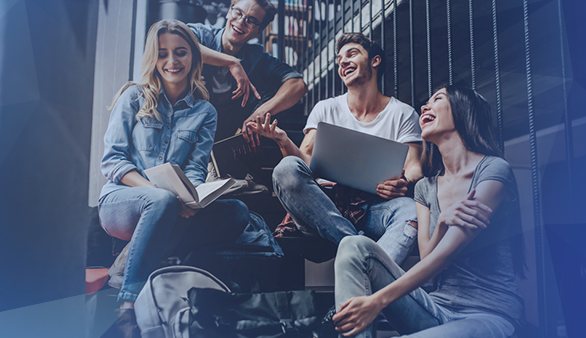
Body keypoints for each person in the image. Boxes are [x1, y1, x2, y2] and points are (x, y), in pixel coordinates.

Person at [332, 85, 526, 337]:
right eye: (426, 100)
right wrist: (442, 223)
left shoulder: (493, 170)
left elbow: (445, 256)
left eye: (438, 99)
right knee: (353, 245)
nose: (425, 105)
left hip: (487, 314)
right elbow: (429, 260)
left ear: (462, 110)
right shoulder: (426, 186)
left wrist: (377, 301)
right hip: (437, 308)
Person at [98, 19, 252, 311]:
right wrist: (163, 195)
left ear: (193, 56)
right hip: (120, 202)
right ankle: (129, 301)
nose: (172, 60)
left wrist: (190, 197)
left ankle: (132, 257)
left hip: (170, 205)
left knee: (237, 212)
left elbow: (194, 168)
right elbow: (113, 162)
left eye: (180, 52)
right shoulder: (133, 97)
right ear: (152, 57)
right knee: (162, 201)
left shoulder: (205, 112)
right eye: (162, 52)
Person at [247, 33, 423, 266]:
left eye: (352, 54)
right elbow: (304, 164)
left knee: (410, 210)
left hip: (374, 206)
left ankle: (366, 270)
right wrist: (283, 141)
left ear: (375, 61)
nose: (342, 62)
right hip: (323, 205)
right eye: (339, 59)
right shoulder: (325, 108)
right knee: (285, 168)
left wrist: (405, 182)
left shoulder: (402, 113)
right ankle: (359, 251)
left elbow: (414, 166)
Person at [188, 0, 308, 145]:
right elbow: (173, 44)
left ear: (259, 30)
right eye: (238, 13)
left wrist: (261, 113)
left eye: (251, 21)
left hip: (220, 140)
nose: (241, 22)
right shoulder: (202, 35)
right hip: (182, 128)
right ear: (228, 12)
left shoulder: (257, 58)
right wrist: (231, 62)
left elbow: (298, 84)